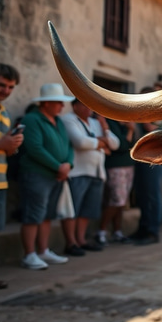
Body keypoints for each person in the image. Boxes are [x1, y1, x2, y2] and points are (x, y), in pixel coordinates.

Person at [18, 83, 74, 269]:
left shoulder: (58, 121)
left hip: (55, 176)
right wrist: (58, 166)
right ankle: (29, 254)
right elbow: (34, 149)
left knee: (47, 214)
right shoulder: (32, 119)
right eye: (58, 102)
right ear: (46, 103)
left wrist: (68, 165)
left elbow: (68, 146)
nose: (62, 106)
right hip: (37, 174)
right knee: (33, 214)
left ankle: (43, 250)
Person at [60, 99, 119, 254]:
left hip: (97, 173)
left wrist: (105, 129)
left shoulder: (95, 123)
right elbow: (80, 142)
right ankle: (71, 243)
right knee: (73, 209)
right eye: (85, 105)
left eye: (91, 105)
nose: (89, 109)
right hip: (77, 172)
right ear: (75, 106)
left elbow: (114, 144)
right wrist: (101, 144)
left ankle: (81, 240)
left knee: (87, 210)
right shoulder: (68, 119)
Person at [0, 64, 24, 288]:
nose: (5, 90)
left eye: (10, 87)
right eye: (1, 85)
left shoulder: (4, 113)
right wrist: (1, 144)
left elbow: (4, 150)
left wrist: (11, 146)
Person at [130, 85, 162, 246]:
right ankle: (142, 228)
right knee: (142, 194)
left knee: (152, 195)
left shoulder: (161, 111)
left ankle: (152, 231)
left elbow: (149, 127)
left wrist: (137, 115)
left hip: (156, 159)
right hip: (143, 157)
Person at [97, 117, 136, 245]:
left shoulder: (123, 123)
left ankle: (117, 232)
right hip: (115, 166)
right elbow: (120, 146)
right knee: (117, 200)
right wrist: (129, 132)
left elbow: (131, 145)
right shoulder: (107, 122)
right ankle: (101, 231)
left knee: (122, 201)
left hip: (127, 165)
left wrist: (130, 132)